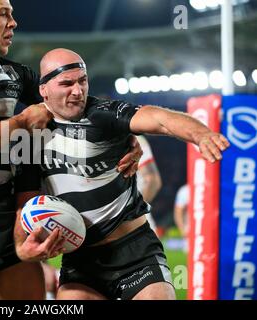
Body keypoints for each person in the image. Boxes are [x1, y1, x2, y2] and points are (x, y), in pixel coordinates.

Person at [0, 0, 142, 300]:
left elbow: (67, 105)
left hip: (15, 210)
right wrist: (23, 121)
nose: (13, 23)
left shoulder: (13, 73)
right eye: (4, 15)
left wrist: (121, 131)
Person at [14, 48, 230, 300]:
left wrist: (200, 134)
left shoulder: (103, 114)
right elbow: (25, 204)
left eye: (82, 81)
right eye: (67, 83)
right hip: (81, 260)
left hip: (136, 252)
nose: (78, 91)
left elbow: (159, 118)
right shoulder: (30, 137)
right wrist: (21, 248)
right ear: (44, 89)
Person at [136, 136, 162, 232]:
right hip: (129, 217)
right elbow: (153, 180)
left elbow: (153, 180)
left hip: (131, 219)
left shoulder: (132, 138)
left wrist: (135, 210)